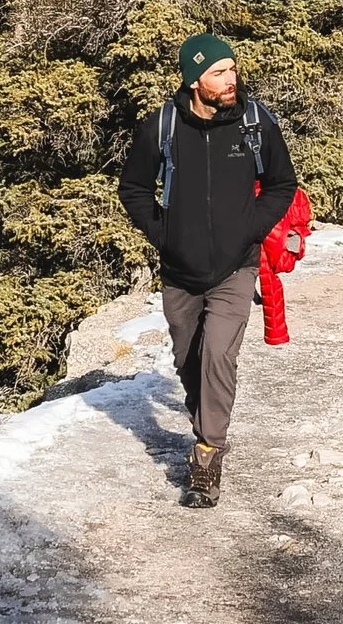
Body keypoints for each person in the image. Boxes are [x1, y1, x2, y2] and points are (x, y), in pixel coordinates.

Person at [118, 32, 298, 508]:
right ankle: (207, 421)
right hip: (180, 270)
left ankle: (207, 453)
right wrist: (164, 234)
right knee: (188, 360)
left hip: (236, 267)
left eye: (232, 69)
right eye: (219, 72)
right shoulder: (162, 126)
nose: (231, 78)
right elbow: (133, 188)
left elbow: (281, 184)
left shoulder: (255, 123)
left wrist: (251, 229)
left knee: (219, 354)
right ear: (194, 81)